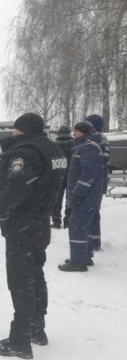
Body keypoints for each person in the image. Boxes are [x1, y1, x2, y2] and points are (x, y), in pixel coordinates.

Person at [0, 113, 66, 359]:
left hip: (23, 221)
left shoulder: (26, 151)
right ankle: (36, 328)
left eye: (15, 129)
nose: (13, 132)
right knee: (35, 274)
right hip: (40, 221)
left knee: (21, 279)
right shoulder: (53, 150)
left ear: (22, 129)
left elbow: (19, 185)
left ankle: (20, 340)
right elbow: (56, 184)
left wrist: (1, 211)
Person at [58, 121, 104, 272]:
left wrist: (78, 193)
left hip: (85, 196)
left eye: (76, 131)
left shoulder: (88, 147)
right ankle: (85, 257)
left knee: (78, 227)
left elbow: (88, 174)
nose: (73, 134)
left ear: (83, 132)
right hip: (86, 195)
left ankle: (78, 262)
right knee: (84, 227)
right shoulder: (82, 146)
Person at [84, 114, 110, 251]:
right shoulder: (101, 139)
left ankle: (92, 242)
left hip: (94, 182)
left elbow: (98, 162)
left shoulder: (97, 139)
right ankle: (93, 240)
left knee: (91, 212)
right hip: (98, 181)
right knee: (93, 211)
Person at [51, 126, 75, 229]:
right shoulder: (75, 144)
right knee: (70, 199)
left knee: (56, 199)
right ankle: (68, 221)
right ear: (69, 133)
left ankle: (56, 221)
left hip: (57, 175)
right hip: (71, 174)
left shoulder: (53, 145)